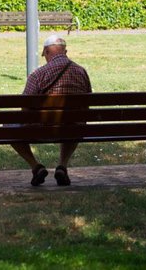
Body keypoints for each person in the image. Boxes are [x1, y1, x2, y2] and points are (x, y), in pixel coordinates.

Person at [12, 34, 92, 186]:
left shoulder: (38, 74)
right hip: (74, 127)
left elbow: (25, 105)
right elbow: (87, 104)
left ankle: (35, 167)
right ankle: (62, 165)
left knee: (8, 128)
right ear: (65, 52)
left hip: (41, 128)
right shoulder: (81, 72)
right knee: (75, 122)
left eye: (45, 55)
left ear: (48, 52)